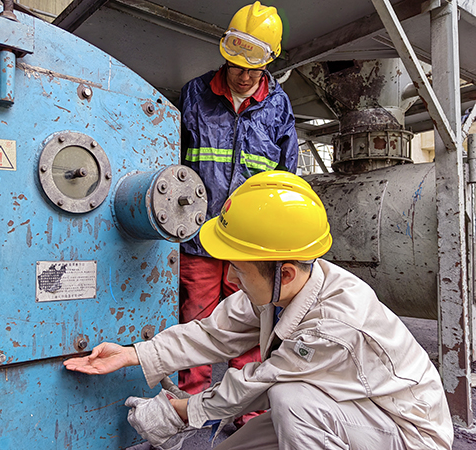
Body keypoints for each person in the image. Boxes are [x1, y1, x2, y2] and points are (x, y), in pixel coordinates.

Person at [64, 171, 453, 450]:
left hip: (406, 433)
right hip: (350, 410)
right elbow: (213, 332)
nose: (230, 275)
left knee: (290, 401)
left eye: (239, 267)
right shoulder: (286, 285)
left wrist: (179, 412)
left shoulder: (336, 322)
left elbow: (259, 381)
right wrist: (134, 353)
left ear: (282, 271)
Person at [178, 1, 298, 414]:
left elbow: (287, 177)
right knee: (196, 319)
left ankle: (244, 411)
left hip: (247, 242)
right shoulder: (194, 94)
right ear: (224, 57)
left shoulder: (279, 107)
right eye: (237, 66)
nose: (245, 76)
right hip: (197, 235)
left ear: (268, 64)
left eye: (254, 68)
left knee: (248, 325)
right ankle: (188, 406)